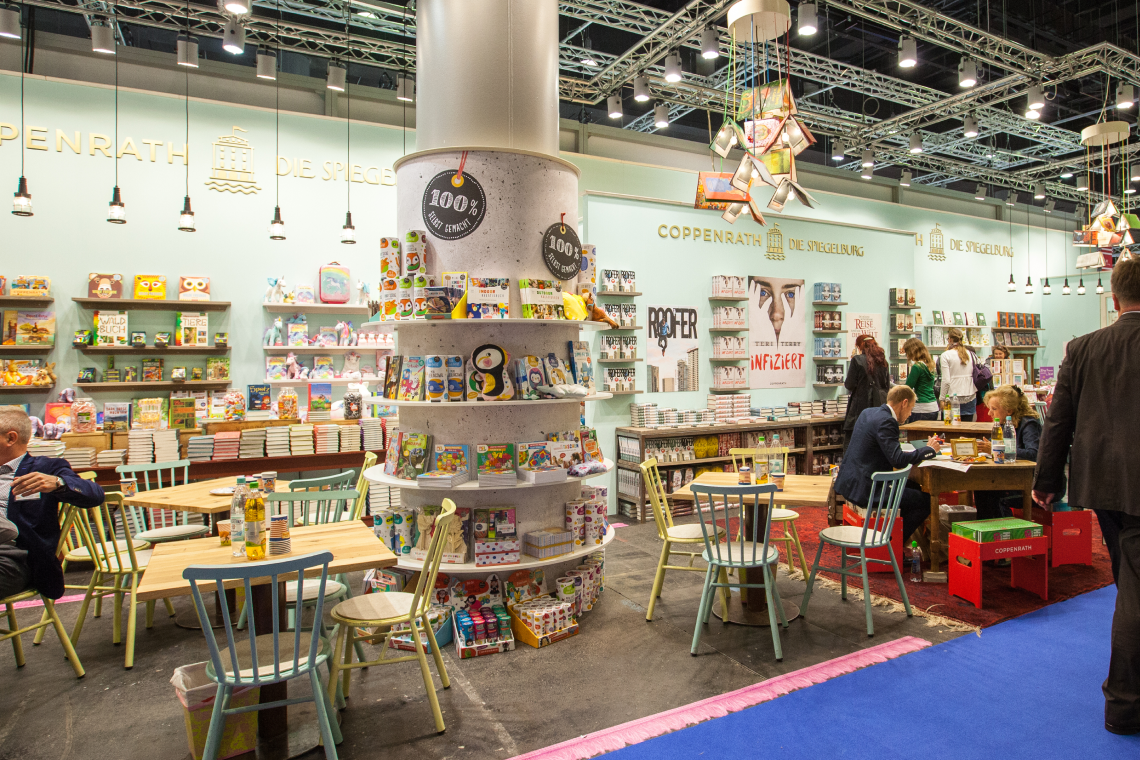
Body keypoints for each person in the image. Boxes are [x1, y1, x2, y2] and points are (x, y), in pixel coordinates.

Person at [1034, 256, 1140, 736]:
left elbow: (1058, 420)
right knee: (1133, 592)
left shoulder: (1082, 348)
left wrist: (1045, 481)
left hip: (1101, 484)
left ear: (1114, 300)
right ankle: (1124, 703)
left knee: (1128, 579)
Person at [0, 409, 104, 600]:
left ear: (10, 438)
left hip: (16, 558)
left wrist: (58, 483)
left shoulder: (44, 468)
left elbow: (95, 495)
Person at [834, 385, 941, 545]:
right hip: (868, 491)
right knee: (926, 502)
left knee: (911, 486)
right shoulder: (887, 421)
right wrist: (929, 450)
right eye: (911, 408)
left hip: (851, 484)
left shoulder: (868, 412)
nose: (910, 414)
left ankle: (894, 537)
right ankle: (893, 544)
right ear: (904, 403)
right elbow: (897, 459)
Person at [974, 385, 1042, 520]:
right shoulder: (1004, 424)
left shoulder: (1029, 424)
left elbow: (1033, 454)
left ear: (1009, 411)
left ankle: (1004, 533)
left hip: (1033, 482)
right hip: (1013, 476)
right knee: (980, 488)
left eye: (994, 409)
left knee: (993, 495)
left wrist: (998, 450)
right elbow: (991, 444)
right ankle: (987, 533)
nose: (989, 413)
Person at [842, 335, 891, 452]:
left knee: (854, 447)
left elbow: (849, 384)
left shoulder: (857, 360)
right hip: (880, 409)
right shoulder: (883, 361)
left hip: (860, 409)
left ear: (860, 346)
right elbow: (887, 385)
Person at [939, 327, 980, 422]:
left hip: (952, 397)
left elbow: (946, 381)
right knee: (967, 430)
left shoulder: (946, 355)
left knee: (951, 429)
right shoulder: (971, 354)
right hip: (970, 396)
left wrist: (942, 398)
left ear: (949, 339)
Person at [902, 337, 939, 423]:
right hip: (933, 407)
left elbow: (907, 387)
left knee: (916, 436)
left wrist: (891, 385)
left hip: (921, 408)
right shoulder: (930, 364)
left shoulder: (917, 366)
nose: (907, 355)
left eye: (907, 352)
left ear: (912, 351)